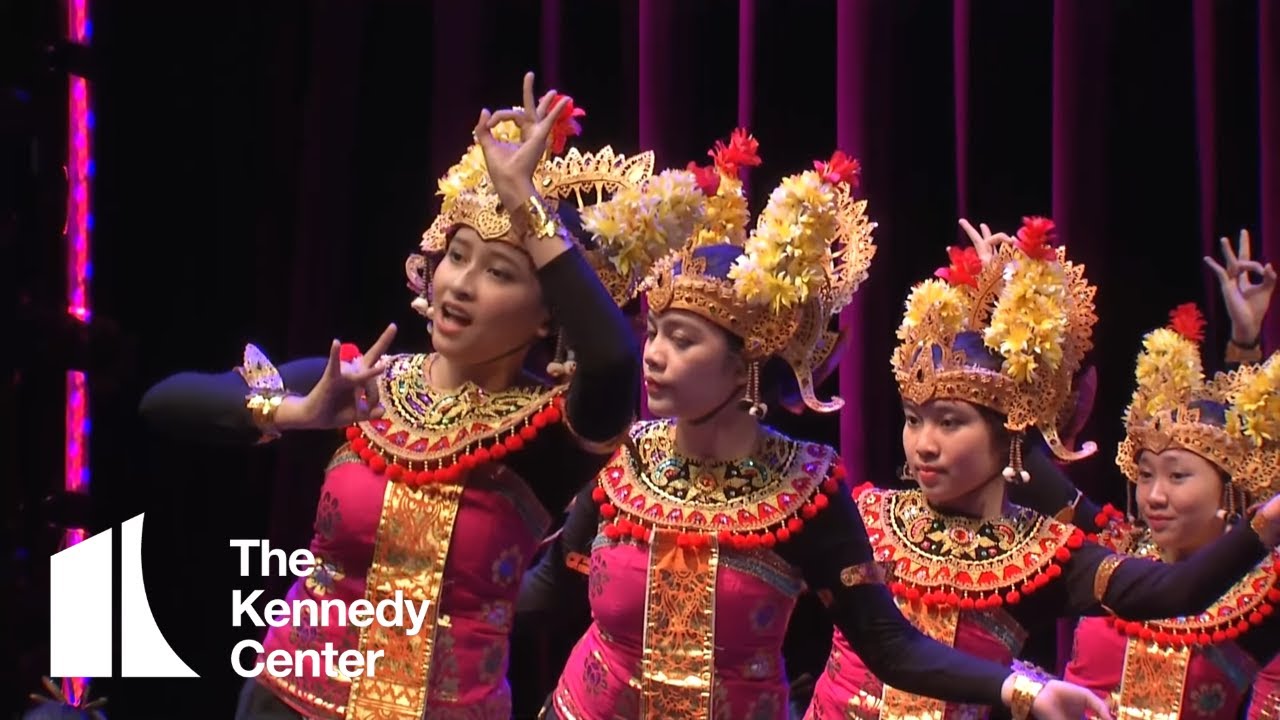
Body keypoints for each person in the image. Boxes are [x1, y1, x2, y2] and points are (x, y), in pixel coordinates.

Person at [520, 135, 1114, 720]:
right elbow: (550, 592)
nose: (652, 355)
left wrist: (1022, 690)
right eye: (653, 333)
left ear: (744, 364)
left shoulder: (804, 490)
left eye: (681, 340)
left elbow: (889, 645)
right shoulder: (622, 459)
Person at [139, 73, 653, 720]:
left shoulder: (549, 431)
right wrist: (296, 412)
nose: (460, 285)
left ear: (549, 315)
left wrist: (524, 200)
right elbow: (164, 403)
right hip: (290, 704)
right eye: (457, 257)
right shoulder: (360, 384)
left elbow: (613, 358)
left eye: (498, 273)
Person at [804, 217, 1280, 719]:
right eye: (913, 420)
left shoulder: (1042, 556)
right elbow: (891, 649)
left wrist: (1264, 526)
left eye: (949, 423)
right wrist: (988, 306)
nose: (924, 445)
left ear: (1011, 431)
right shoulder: (864, 517)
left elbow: (1177, 591)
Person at [1045, 230, 1280, 719]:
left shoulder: (1262, 593)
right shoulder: (1109, 547)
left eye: (1177, 477)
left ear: (1228, 490)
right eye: (1146, 475)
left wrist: (1245, 342)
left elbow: (1249, 439)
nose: (1153, 495)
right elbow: (1022, 465)